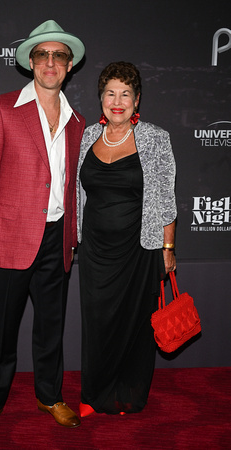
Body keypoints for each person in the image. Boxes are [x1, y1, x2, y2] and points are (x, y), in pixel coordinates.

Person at [0, 20, 86, 435]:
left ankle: (49, 395)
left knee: (51, 327)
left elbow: (72, 187)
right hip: (8, 239)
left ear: (69, 66)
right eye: (42, 55)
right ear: (30, 62)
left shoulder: (77, 122)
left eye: (58, 56)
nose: (50, 62)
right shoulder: (1, 109)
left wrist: (73, 238)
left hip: (57, 238)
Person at [76, 61, 177, 416]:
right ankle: (95, 393)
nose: (117, 101)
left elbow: (166, 197)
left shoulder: (155, 138)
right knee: (98, 324)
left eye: (125, 94)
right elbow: (77, 192)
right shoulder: (87, 136)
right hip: (94, 253)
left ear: (137, 100)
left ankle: (127, 392)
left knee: (134, 326)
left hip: (138, 251)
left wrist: (167, 248)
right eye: (110, 93)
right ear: (101, 98)